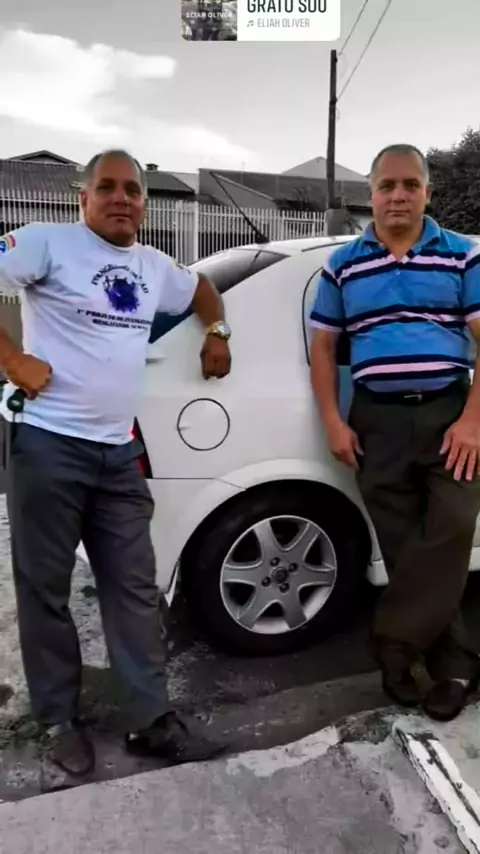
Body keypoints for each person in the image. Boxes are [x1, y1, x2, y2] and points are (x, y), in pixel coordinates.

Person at [0, 149, 232, 784]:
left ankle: (149, 719)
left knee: (134, 587)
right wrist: (12, 361)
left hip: (118, 451)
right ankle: (57, 720)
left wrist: (217, 332)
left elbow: (204, 290)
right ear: (84, 197)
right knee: (45, 589)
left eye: (133, 189)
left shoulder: (155, 267)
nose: (121, 197)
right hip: (46, 443)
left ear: (145, 205)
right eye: (107, 187)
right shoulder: (47, 244)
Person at [309, 143, 480, 722]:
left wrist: (472, 421)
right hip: (376, 420)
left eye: (410, 184)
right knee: (405, 548)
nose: (399, 195)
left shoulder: (463, 256)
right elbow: (324, 348)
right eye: (387, 185)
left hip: (450, 415)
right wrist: (333, 420)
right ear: (372, 194)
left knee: (452, 529)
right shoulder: (343, 265)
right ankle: (455, 667)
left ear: (427, 192)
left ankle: (393, 646)